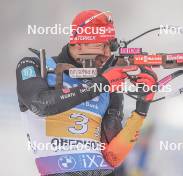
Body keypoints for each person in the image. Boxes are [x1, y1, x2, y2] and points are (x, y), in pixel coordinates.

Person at [16, 10, 157, 176]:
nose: (107, 54)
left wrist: (141, 108)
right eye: (101, 45)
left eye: (110, 46)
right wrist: (100, 84)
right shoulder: (35, 65)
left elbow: (113, 158)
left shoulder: (106, 81)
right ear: (78, 43)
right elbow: (40, 104)